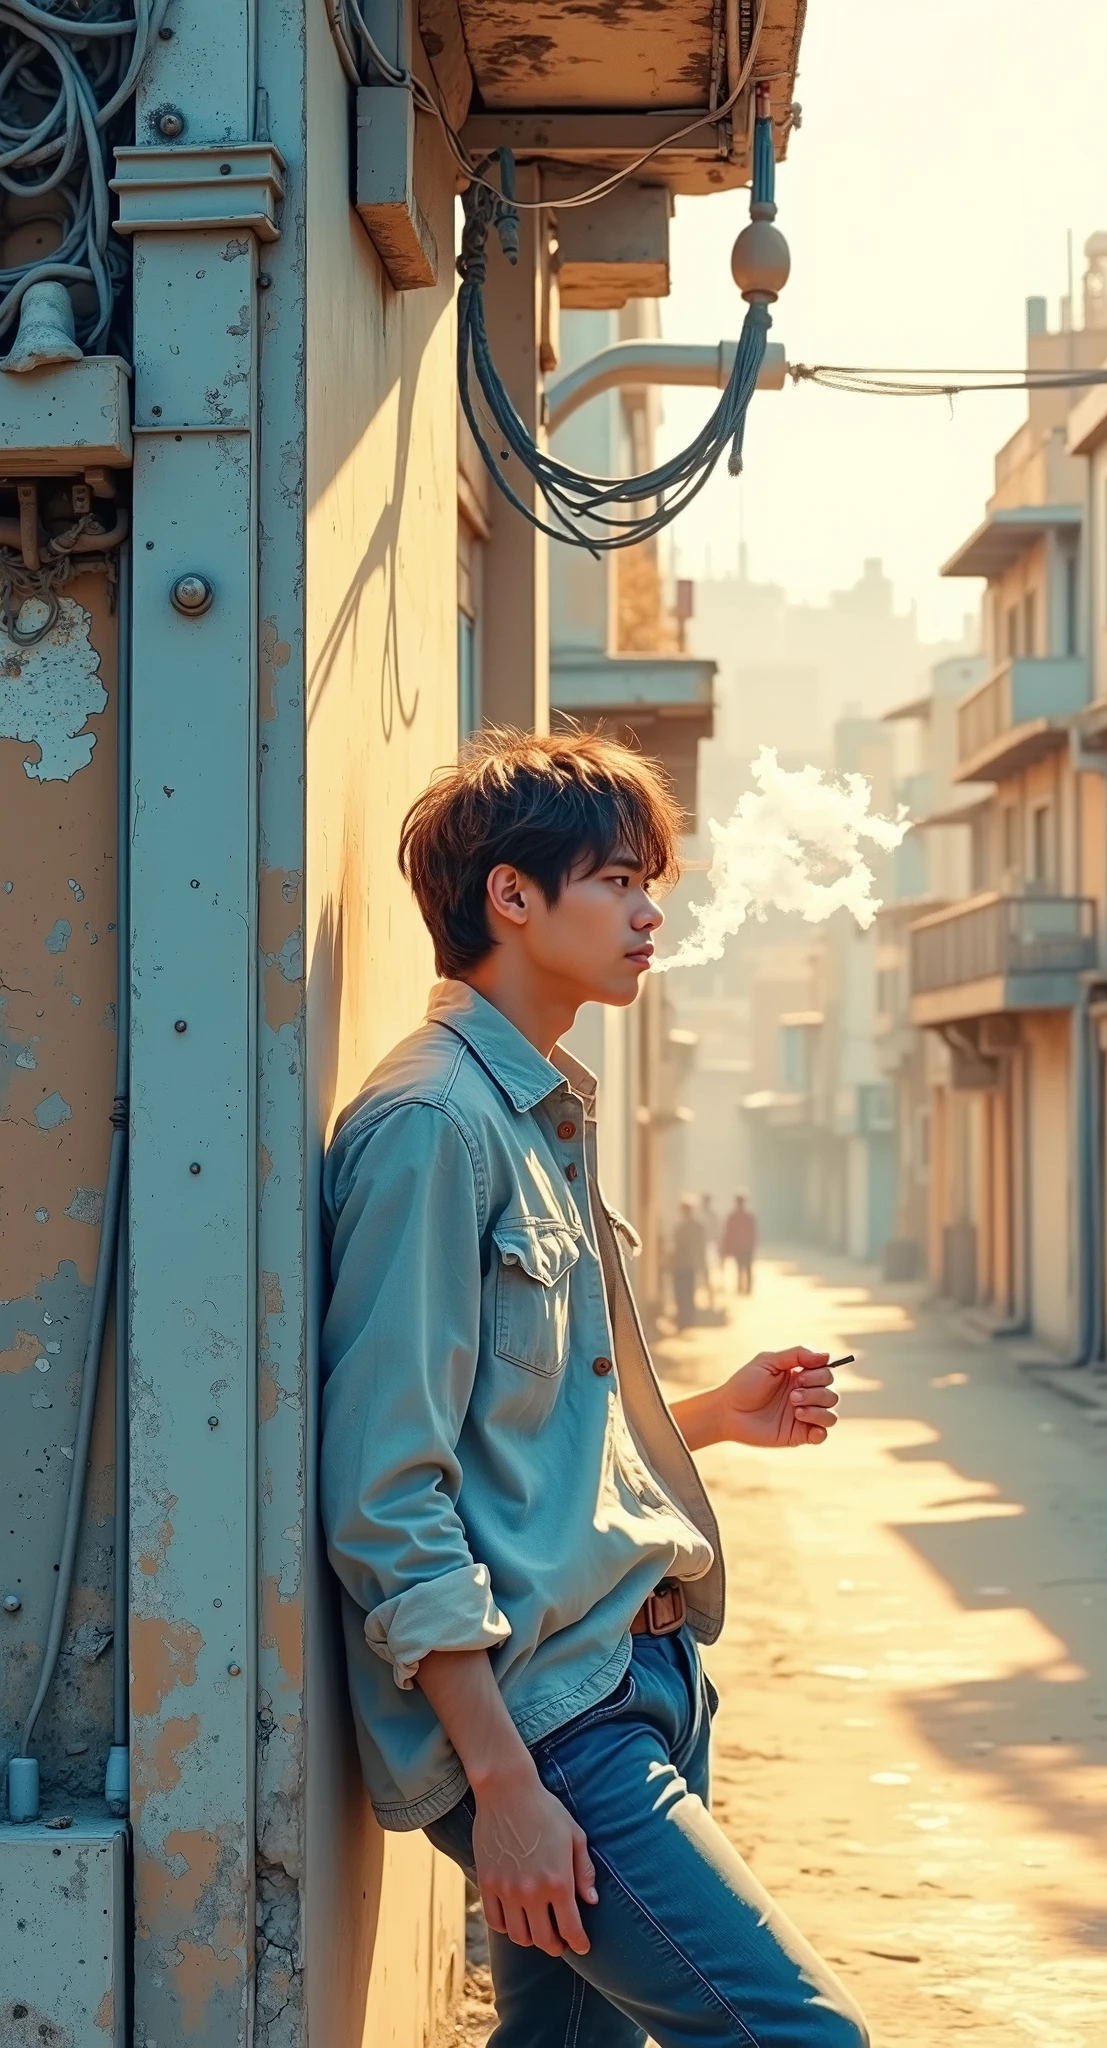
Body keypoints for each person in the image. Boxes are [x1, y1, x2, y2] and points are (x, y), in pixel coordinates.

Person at [319, 730, 867, 2048]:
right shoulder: (435, 1129)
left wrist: (719, 1417)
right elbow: (385, 1489)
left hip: (637, 1675)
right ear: (512, 896)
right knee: (805, 2037)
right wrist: (499, 1780)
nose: (650, 911)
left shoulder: (531, 1113)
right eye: (619, 879)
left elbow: (524, 1452)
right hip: (553, 1722)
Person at [671, 1195, 705, 1330]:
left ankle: (688, 1320)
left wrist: (702, 1265)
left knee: (688, 1293)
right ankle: (682, 1320)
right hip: (681, 1265)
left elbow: (701, 1248)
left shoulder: (696, 1227)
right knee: (681, 1293)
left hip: (688, 1265)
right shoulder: (680, 1227)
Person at [722, 1189, 757, 1295]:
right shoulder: (749, 1216)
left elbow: (728, 1233)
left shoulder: (733, 1216)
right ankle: (747, 1288)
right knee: (746, 1268)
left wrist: (727, 1247)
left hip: (739, 1247)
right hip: (746, 1247)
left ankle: (741, 1287)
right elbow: (753, 1232)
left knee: (740, 1268)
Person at [700, 1192, 721, 1309]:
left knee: (707, 1271)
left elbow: (716, 1231)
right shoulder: (701, 1215)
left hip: (708, 1246)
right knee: (704, 1272)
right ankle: (707, 1296)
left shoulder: (710, 1215)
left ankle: (710, 1297)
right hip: (704, 1246)